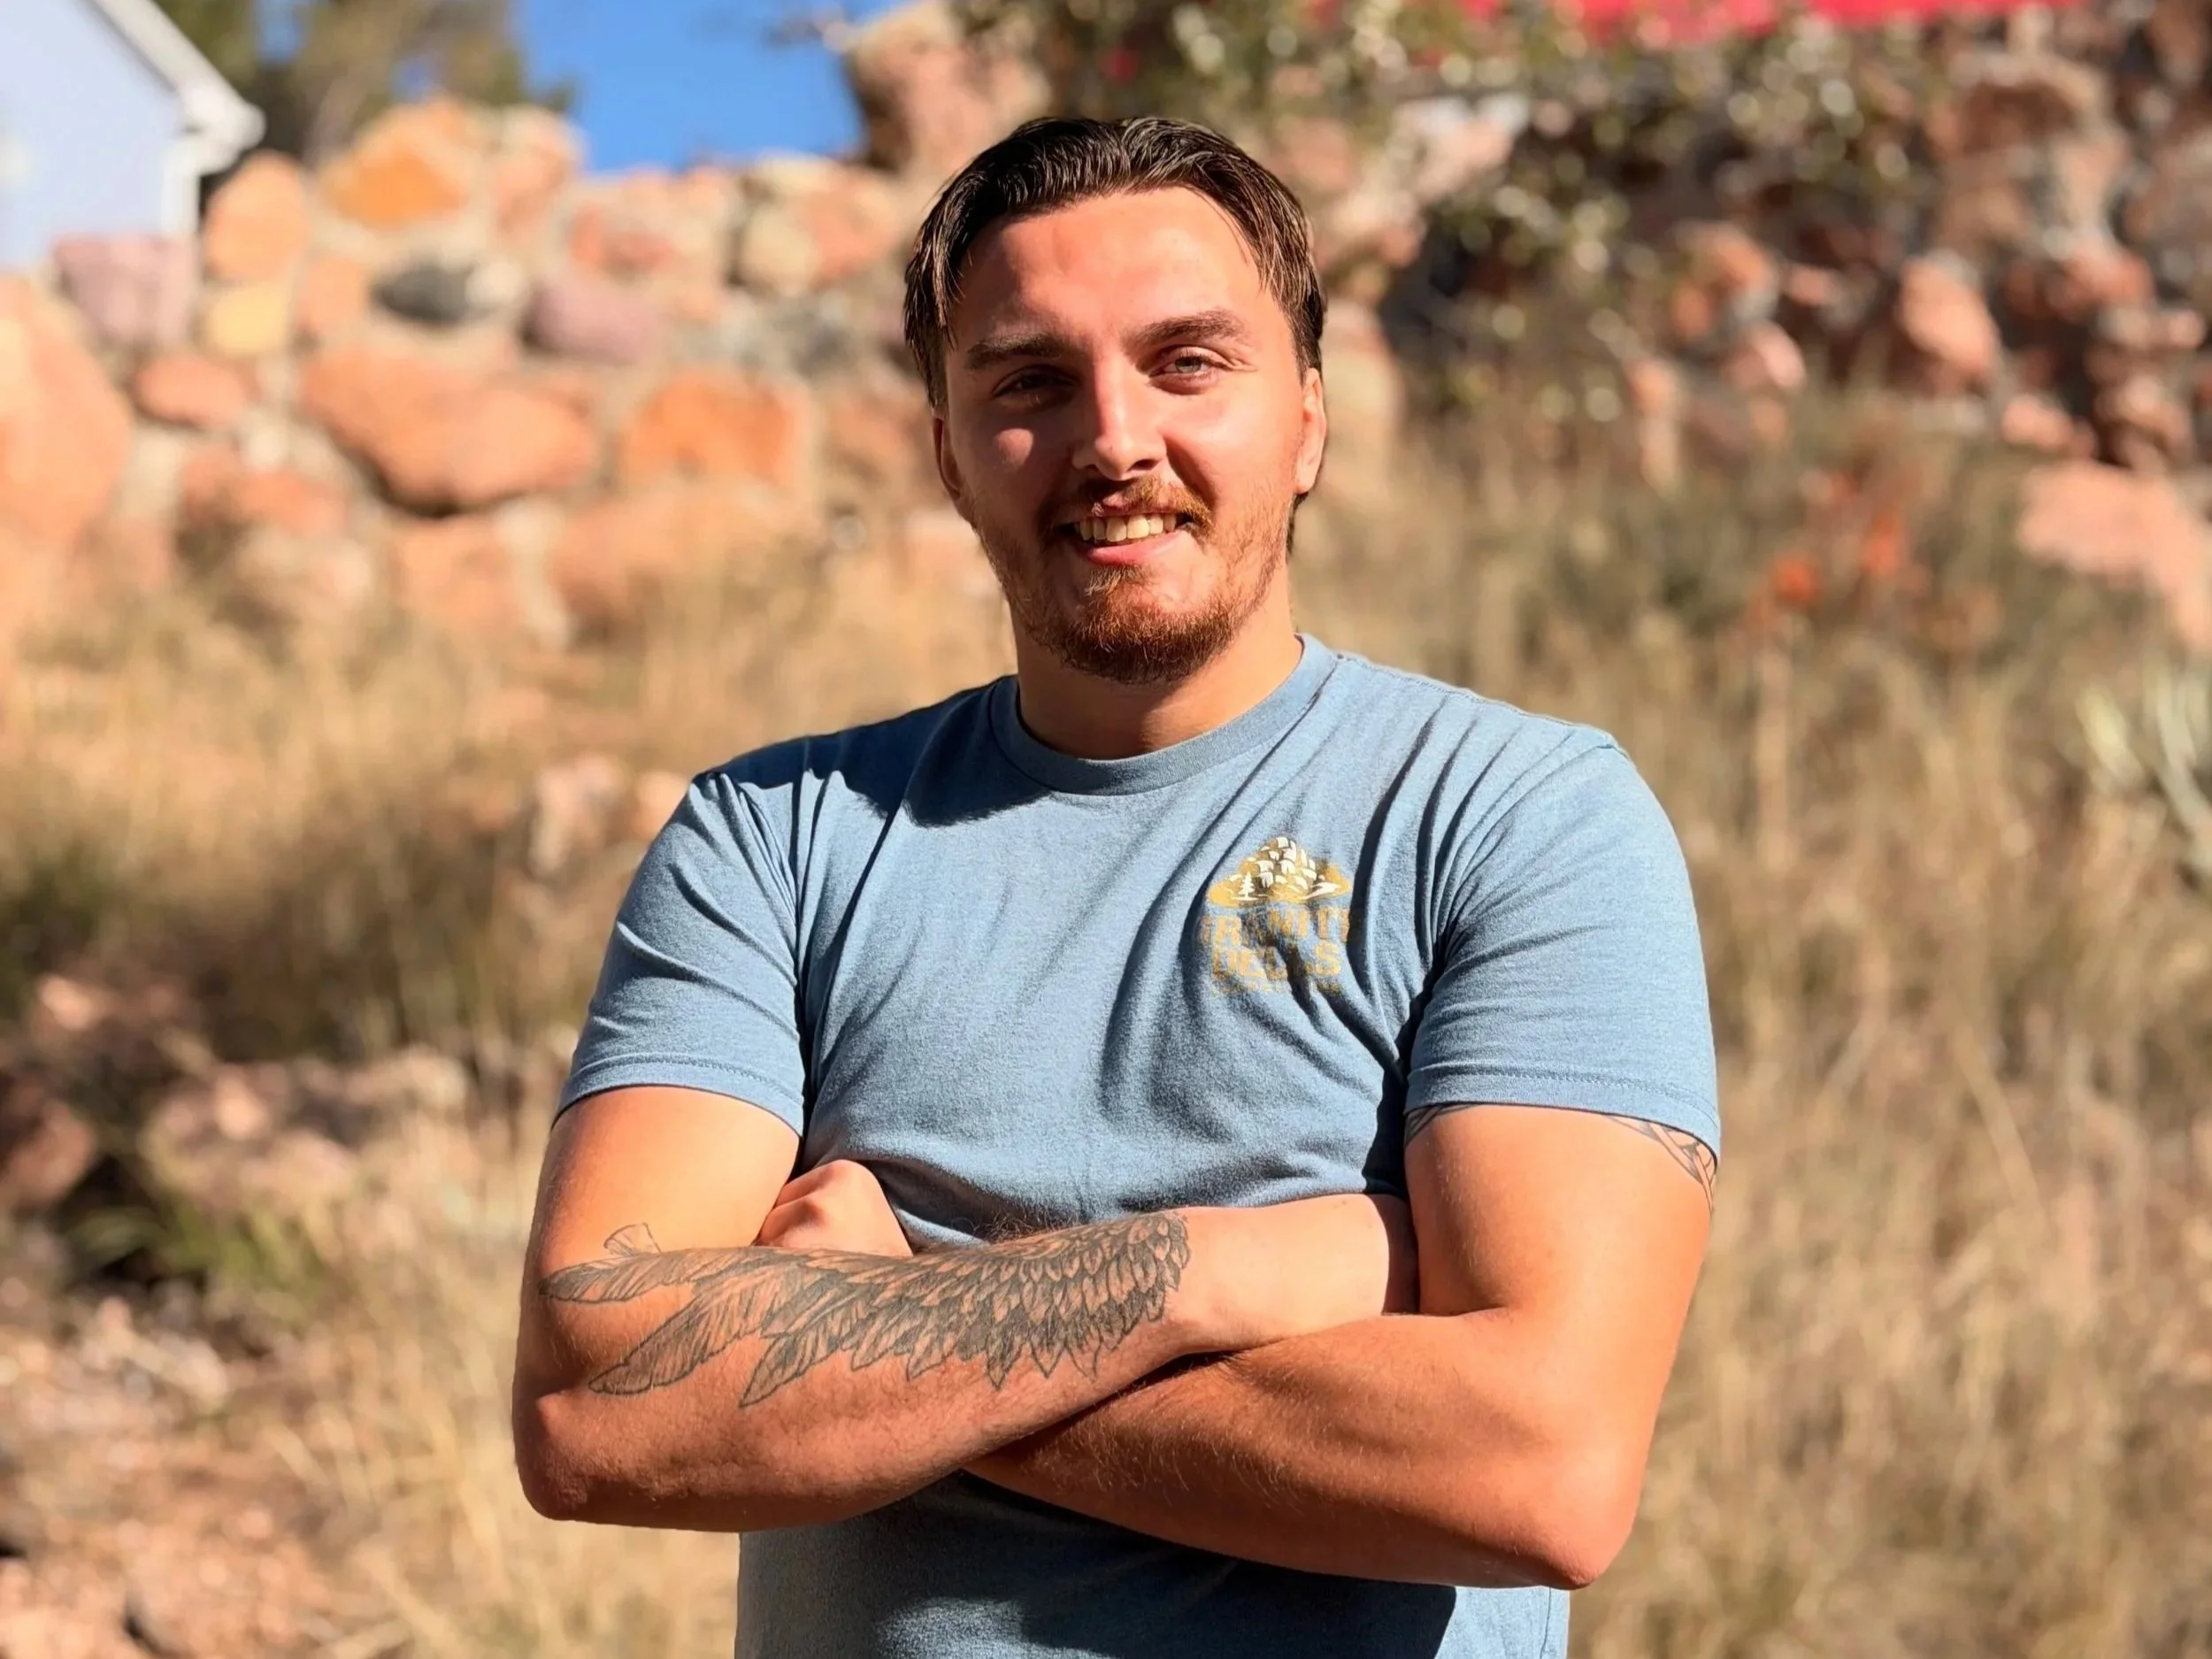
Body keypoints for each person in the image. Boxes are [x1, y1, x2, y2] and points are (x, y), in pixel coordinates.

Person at [511, 114, 1719, 1659]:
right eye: (1028, 380)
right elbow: (592, 1405)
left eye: (1189, 362)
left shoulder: (1514, 816)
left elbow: (1540, 1468)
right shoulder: (775, 836)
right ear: (948, 451)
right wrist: (1224, 1268)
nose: (1114, 439)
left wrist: (877, 1335)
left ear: (1309, 420)